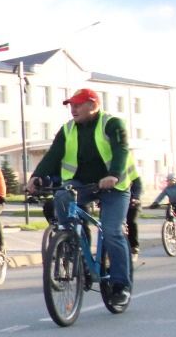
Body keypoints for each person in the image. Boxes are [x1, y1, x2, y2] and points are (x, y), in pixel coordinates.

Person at [29, 86, 138, 304]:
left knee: (111, 231)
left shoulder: (112, 124)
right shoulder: (68, 129)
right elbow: (53, 155)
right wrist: (36, 177)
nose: (73, 109)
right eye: (71, 105)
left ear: (93, 105)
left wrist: (114, 175)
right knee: (61, 197)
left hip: (114, 186)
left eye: (78, 105)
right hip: (82, 184)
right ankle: (74, 243)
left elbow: (121, 151)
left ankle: (120, 285)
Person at [149, 172, 176, 245]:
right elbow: (161, 196)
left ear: (175, 180)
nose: (169, 182)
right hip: (173, 206)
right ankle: (172, 232)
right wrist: (155, 203)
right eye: (168, 180)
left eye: (170, 180)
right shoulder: (167, 188)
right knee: (169, 218)